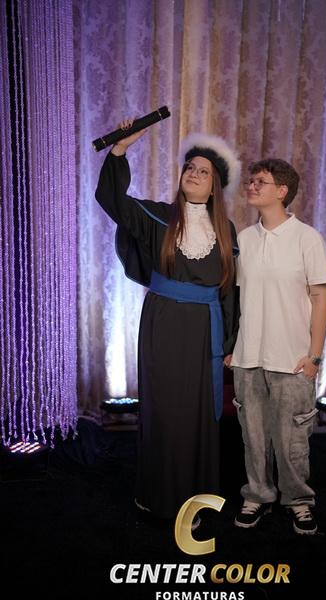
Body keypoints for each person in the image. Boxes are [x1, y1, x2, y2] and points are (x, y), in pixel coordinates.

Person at [95, 122, 241, 523]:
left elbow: (228, 291)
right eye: (189, 167)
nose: (193, 173)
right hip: (163, 325)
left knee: (198, 414)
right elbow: (111, 198)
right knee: (165, 411)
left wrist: (229, 343)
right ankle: (159, 494)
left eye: (203, 171)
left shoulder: (226, 231)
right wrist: (120, 149)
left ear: (215, 186)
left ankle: (194, 497)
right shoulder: (158, 217)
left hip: (205, 331)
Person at [229, 158, 326, 535]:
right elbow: (235, 299)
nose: (252, 186)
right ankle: (257, 494)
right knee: (253, 437)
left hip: (292, 359)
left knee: (292, 441)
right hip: (248, 357)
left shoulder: (308, 238)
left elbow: (320, 297)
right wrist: (233, 347)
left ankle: (298, 500)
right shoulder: (243, 239)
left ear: (282, 191)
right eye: (251, 181)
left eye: (261, 181)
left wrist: (314, 356)